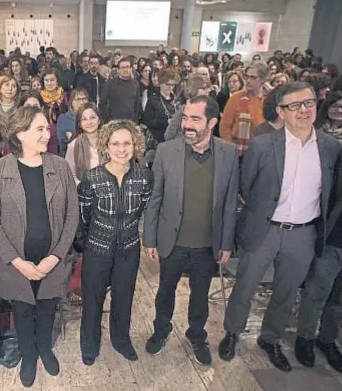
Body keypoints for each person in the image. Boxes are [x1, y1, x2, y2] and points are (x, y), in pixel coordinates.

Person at [219, 81, 341, 372]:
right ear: (281, 112)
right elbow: (246, 186)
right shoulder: (262, 145)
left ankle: (270, 338)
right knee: (245, 286)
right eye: (294, 105)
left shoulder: (330, 146)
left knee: (286, 292)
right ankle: (232, 332)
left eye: (309, 103)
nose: (303, 110)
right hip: (265, 229)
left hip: (303, 233)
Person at [0, 106, 78, 387]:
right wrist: (16, 260)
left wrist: (56, 255)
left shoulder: (59, 166)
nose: (46, 134)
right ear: (20, 134)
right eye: (39, 129)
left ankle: (44, 348)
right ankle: (28, 354)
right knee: (22, 309)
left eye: (46, 129)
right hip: (16, 259)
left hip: (52, 256)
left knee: (48, 305)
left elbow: (72, 214)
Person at [143, 96, 239, 366]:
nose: (186, 124)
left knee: (200, 295)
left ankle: (197, 334)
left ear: (212, 122)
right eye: (185, 117)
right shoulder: (166, 151)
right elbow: (156, 198)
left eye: (194, 119)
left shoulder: (228, 153)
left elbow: (231, 202)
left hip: (207, 244)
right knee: (165, 291)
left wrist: (227, 242)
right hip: (172, 241)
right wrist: (149, 238)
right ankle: (161, 330)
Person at [78, 119, 153, 365]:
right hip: (97, 250)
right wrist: (91, 242)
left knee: (124, 298)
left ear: (135, 145)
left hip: (129, 249)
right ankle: (89, 344)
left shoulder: (144, 177)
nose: (122, 149)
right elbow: (83, 217)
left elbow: (142, 210)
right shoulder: (92, 178)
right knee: (92, 300)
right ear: (106, 146)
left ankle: (121, 340)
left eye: (127, 143)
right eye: (116, 144)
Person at [294, 133, 342, 374]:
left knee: (338, 300)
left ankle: (327, 339)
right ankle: (305, 338)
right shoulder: (337, 152)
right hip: (334, 238)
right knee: (316, 293)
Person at [219, 61, 269, 159]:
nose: (248, 80)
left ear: (263, 79)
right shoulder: (236, 98)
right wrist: (231, 148)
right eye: (247, 76)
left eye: (253, 77)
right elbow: (224, 127)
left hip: (261, 154)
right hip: (237, 153)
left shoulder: (269, 100)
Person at [64, 102, 102, 185]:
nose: (89, 122)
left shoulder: (110, 142)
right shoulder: (73, 146)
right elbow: (70, 175)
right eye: (84, 119)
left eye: (93, 118)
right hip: (84, 193)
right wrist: (85, 189)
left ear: (99, 120)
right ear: (79, 124)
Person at [98, 57, 142, 123]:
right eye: (123, 67)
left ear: (131, 69)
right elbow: (102, 103)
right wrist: (108, 120)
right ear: (118, 70)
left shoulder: (135, 84)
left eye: (127, 67)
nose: (125, 70)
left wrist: (135, 120)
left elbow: (137, 104)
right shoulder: (110, 84)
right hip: (114, 122)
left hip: (131, 123)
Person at [142, 68, 179, 144]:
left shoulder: (176, 100)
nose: (171, 87)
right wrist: (164, 121)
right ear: (161, 83)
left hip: (174, 139)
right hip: (158, 140)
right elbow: (148, 122)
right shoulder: (153, 100)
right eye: (168, 84)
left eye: (173, 85)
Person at [56, 88, 88, 157]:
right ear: (71, 102)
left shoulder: (92, 117)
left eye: (84, 99)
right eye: (78, 99)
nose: (82, 102)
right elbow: (63, 143)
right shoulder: (63, 119)